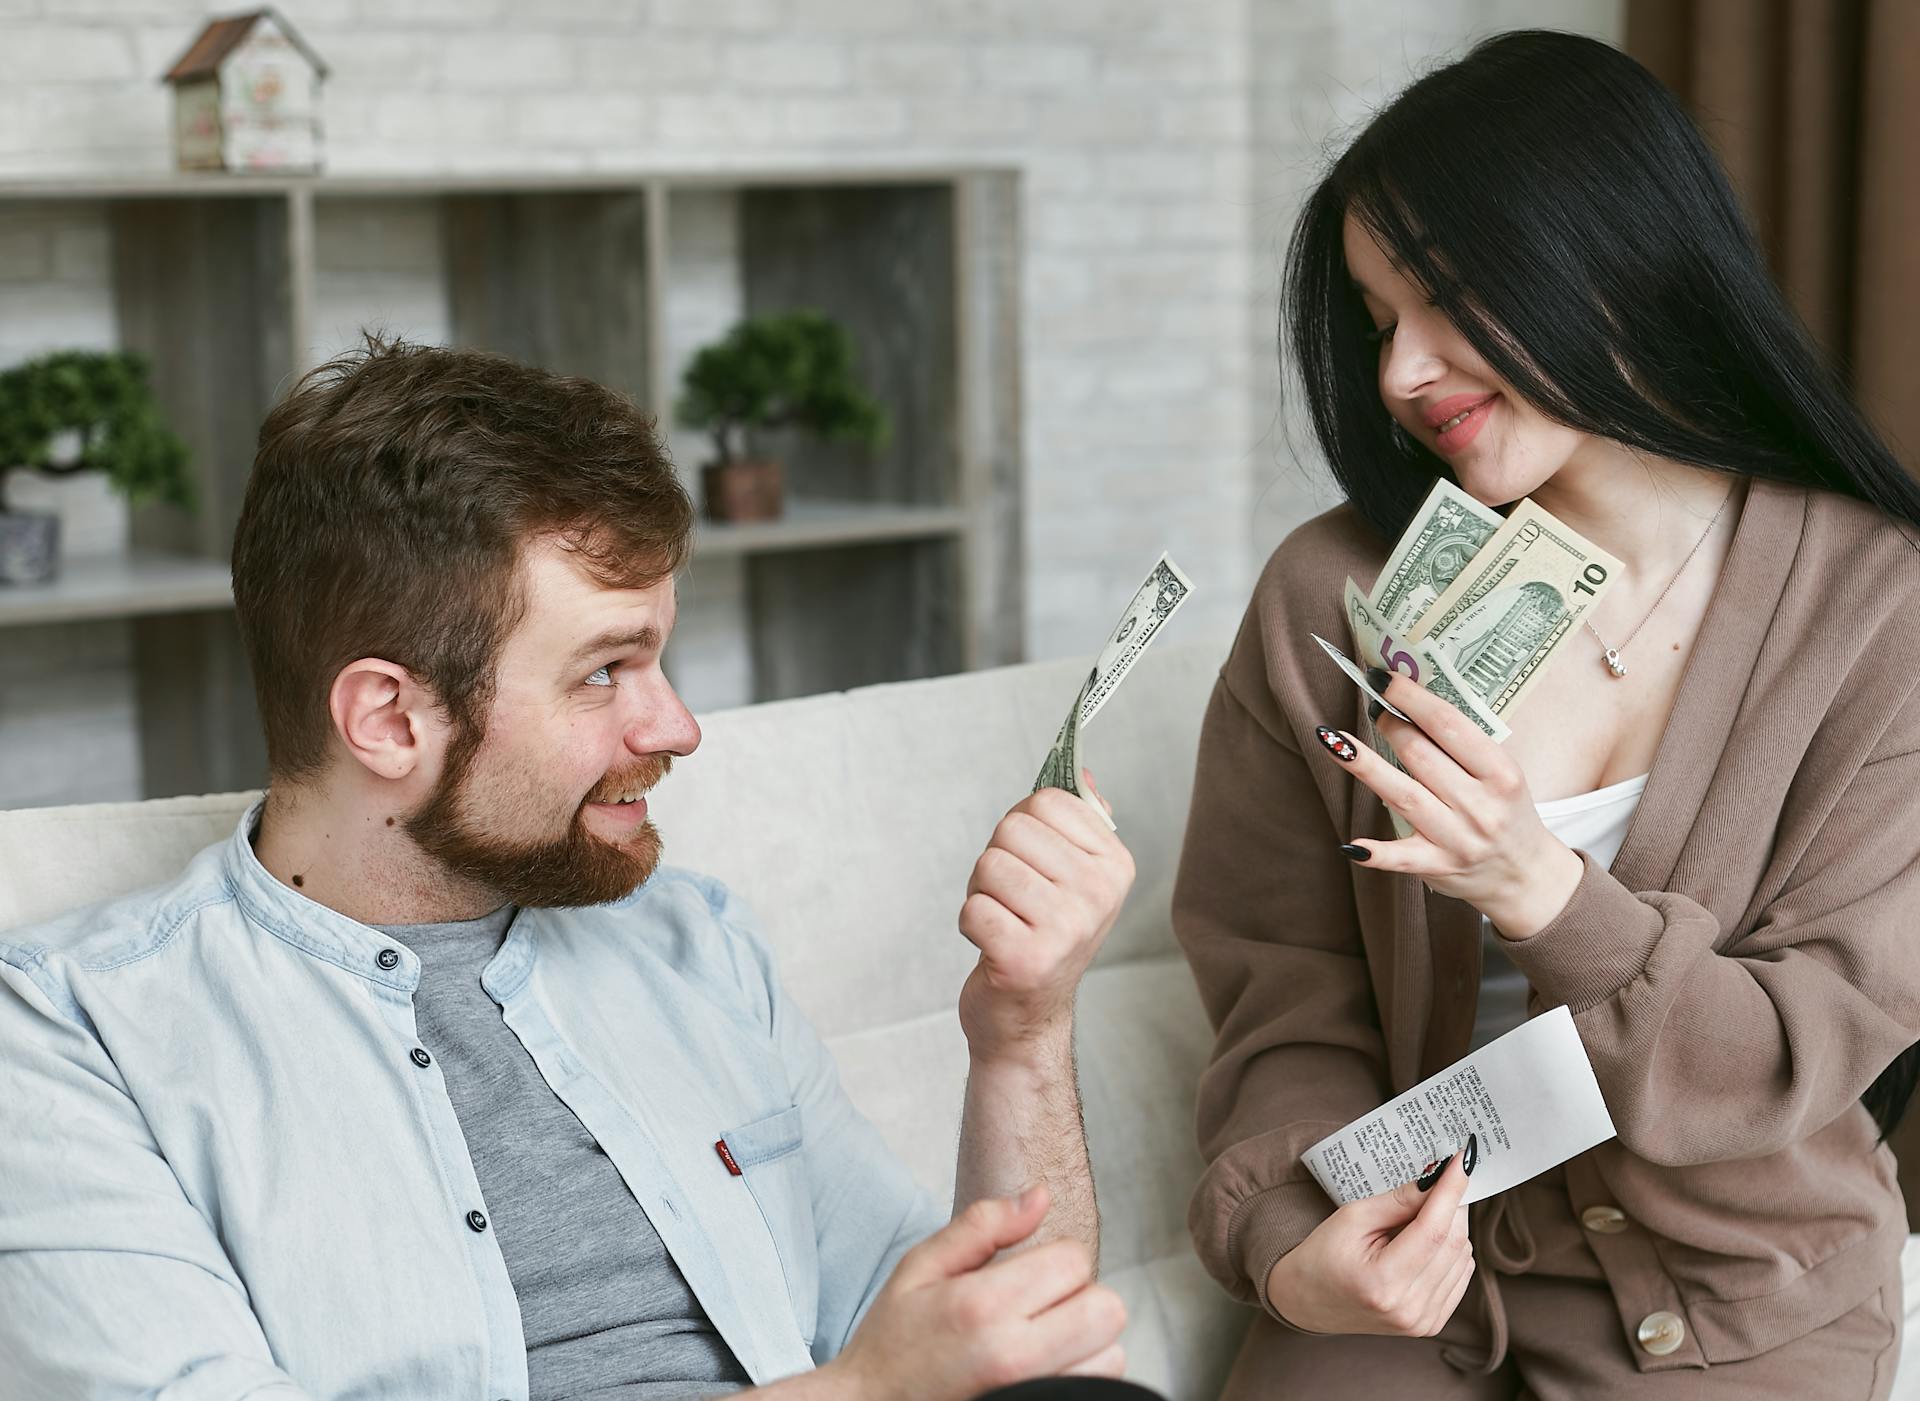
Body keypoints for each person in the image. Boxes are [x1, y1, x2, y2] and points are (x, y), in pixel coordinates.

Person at [0, 338, 1149, 1401]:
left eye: (659, 655)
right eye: (605, 672)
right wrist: (858, 1394)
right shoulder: (74, 1035)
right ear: (391, 720)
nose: (679, 726)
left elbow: (993, 1342)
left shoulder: (692, 942)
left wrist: (1022, 1026)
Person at [1176, 29, 1920, 1401]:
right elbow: (1287, 998)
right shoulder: (1330, 594)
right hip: (1401, 1281)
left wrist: (1541, 892)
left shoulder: (1877, 609)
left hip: (1740, 1305)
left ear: (1621, 255)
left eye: (1450, 301)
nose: (1402, 372)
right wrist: (1294, 1249)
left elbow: (1801, 1047)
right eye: (1378, 316)